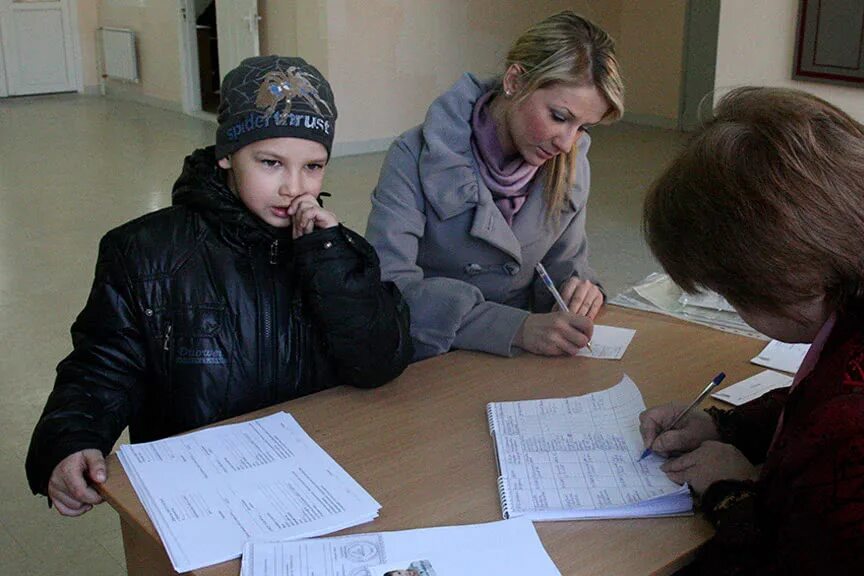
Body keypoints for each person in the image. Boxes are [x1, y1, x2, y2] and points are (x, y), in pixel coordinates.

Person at [25, 56, 413, 517]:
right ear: (227, 154)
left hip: (315, 486)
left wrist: (329, 263)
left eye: (312, 167)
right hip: (200, 498)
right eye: (270, 163)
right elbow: (103, 367)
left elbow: (378, 362)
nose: (294, 187)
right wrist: (70, 440)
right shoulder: (144, 252)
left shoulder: (334, 250)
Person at [639, 87, 864, 574]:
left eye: (728, 290)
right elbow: (812, 403)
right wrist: (727, 428)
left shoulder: (851, 430)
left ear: (784, 274)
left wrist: (732, 493)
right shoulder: (849, 314)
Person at [366, 11, 623, 360]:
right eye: (559, 117)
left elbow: (564, 263)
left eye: (583, 127)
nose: (567, 142)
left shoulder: (570, 162)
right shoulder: (412, 155)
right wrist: (513, 327)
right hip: (429, 354)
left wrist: (579, 288)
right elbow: (388, 286)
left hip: (520, 360)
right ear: (515, 81)